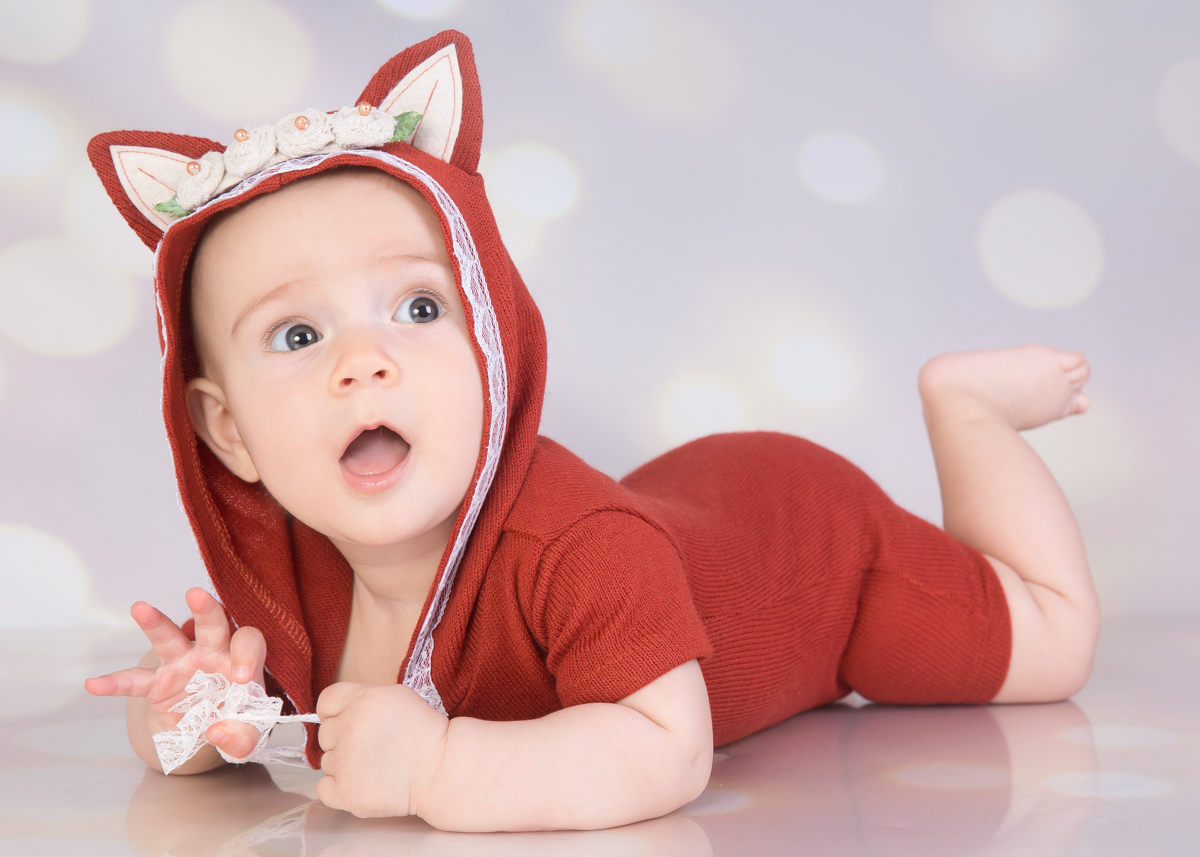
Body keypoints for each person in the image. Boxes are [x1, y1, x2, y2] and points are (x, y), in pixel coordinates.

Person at [82, 30, 1099, 832]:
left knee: (1051, 642)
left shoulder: (580, 551)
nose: (365, 361)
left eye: (420, 309)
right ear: (229, 433)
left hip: (809, 547)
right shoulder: (287, 576)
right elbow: (216, 733)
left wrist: (439, 767)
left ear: (496, 345)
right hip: (687, 498)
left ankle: (969, 409)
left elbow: (667, 747)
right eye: (299, 335)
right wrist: (189, 710)